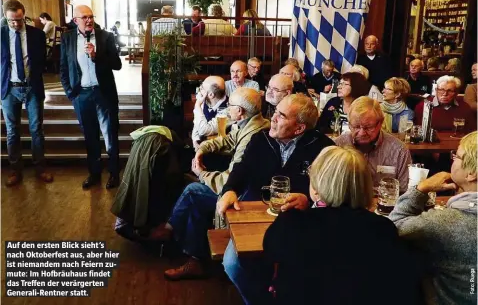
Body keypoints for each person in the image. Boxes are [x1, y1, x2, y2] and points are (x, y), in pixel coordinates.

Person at [264, 146, 422, 305]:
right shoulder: (383, 228)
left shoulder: (292, 223)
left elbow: (270, 251)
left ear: (318, 186)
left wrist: (302, 211)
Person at [218, 94, 335, 305]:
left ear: (299, 128)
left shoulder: (324, 148)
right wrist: (229, 189)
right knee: (233, 264)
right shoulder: (260, 139)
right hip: (255, 212)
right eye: (275, 112)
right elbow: (242, 168)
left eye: (281, 116)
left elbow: (331, 191)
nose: (272, 118)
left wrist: (309, 200)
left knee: (303, 264)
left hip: (300, 219)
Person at [147, 88, 269, 279]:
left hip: (243, 196)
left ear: (241, 112)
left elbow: (232, 179)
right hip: (239, 188)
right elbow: (226, 141)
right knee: (194, 197)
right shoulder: (250, 124)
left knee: (193, 190)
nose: (227, 109)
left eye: (230, 106)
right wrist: (202, 149)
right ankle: (192, 254)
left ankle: (171, 231)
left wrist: (202, 173)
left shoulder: (253, 136)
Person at [389, 131, 477, 305]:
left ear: (471, 174)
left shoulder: (446, 222)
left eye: (457, 156)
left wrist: (421, 189)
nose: (452, 159)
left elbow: (394, 226)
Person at [60, 5, 122, 189]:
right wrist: (71, 94)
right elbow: (63, 68)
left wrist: (96, 56)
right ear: (75, 20)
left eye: (91, 16)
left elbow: (117, 64)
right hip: (82, 94)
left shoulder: (106, 37)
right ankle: (94, 173)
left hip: (104, 93)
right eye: (84, 17)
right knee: (90, 136)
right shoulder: (67, 38)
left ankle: (114, 174)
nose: (88, 20)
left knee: (110, 135)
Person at [1, 0, 53, 186]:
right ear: (5, 18)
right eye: (11, 21)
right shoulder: (0, 34)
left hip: (32, 87)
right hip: (9, 89)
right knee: (12, 131)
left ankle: (40, 168)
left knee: (36, 130)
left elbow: (42, 60)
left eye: (19, 20)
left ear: (24, 15)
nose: (15, 24)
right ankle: (15, 171)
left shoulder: (37, 35)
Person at [335, 96, 412, 192]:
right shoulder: (338, 146)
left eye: (368, 127)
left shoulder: (398, 150)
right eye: (356, 127)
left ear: (380, 123)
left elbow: (405, 192)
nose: (362, 133)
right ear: (349, 124)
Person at [191, 76, 229, 148]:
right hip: (202, 146)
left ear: (211, 95)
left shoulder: (227, 110)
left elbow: (204, 130)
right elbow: (197, 122)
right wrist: (195, 140)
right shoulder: (204, 101)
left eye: (202, 88)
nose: (199, 90)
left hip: (218, 150)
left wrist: (197, 105)